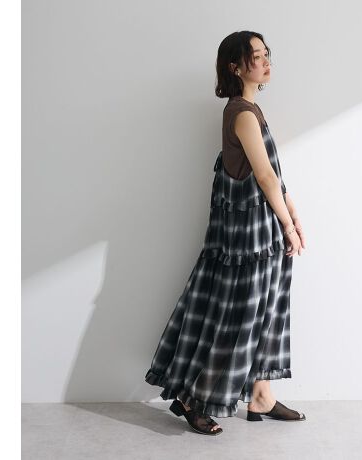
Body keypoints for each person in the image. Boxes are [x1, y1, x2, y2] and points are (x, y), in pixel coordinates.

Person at [145, 30, 306, 436]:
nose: (266, 61)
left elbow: (273, 176)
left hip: (261, 230)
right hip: (247, 237)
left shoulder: (251, 109)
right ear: (236, 67)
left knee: (266, 309)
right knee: (238, 316)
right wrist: (288, 224)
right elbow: (264, 176)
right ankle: (191, 397)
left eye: (266, 53)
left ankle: (261, 395)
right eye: (256, 56)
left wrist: (293, 215)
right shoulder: (242, 113)